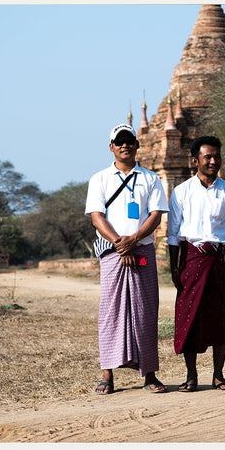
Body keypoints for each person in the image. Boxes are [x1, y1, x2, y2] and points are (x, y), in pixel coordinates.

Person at [84, 123, 169, 394]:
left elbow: (155, 215)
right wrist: (120, 243)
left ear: (137, 145)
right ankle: (107, 375)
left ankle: (150, 375)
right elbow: (97, 217)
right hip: (113, 253)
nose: (125, 145)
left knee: (146, 312)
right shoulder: (99, 179)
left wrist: (134, 240)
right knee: (110, 313)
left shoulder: (151, 179)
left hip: (142, 250)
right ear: (111, 147)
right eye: (119, 141)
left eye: (129, 140)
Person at [166, 135, 225, 392]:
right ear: (195, 160)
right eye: (207, 157)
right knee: (190, 318)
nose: (213, 161)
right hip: (191, 259)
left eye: (216, 156)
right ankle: (191, 376)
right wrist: (174, 267)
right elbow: (173, 235)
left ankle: (218, 375)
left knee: (220, 319)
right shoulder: (181, 192)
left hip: (219, 261)